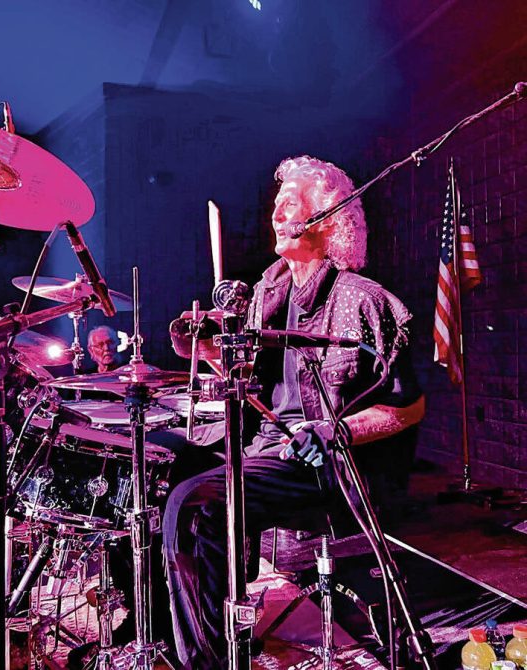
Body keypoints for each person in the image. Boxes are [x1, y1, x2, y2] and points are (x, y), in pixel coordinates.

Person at [162, 155, 426, 669]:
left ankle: (209, 660)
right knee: (156, 472)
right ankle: (187, 629)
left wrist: (335, 431)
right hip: (261, 445)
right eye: (276, 206)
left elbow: (407, 408)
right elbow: (249, 382)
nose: (277, 216)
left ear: (326, 220)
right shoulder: (265, 294)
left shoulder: (363, 301)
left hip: (319, 463)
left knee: (196, 504)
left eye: (290, 206)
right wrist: (207, 349)